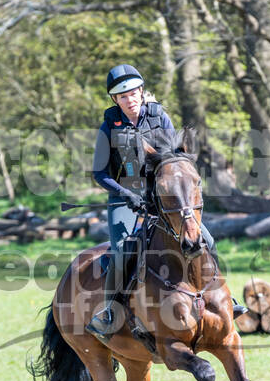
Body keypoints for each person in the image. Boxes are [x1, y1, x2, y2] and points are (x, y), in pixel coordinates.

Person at [86, 63, 246, 338]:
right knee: (124, 250)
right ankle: (110, 311)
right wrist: (127, 195)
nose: (130, 100)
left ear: (142, 92)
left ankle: (224, 297)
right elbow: (99, 173)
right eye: (123, 97)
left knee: (206, 239)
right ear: (115, 100)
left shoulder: (159, 117)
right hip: (124, 200)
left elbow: (175, 159)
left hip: (162, 198)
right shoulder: (108, 127)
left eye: (134, 94)